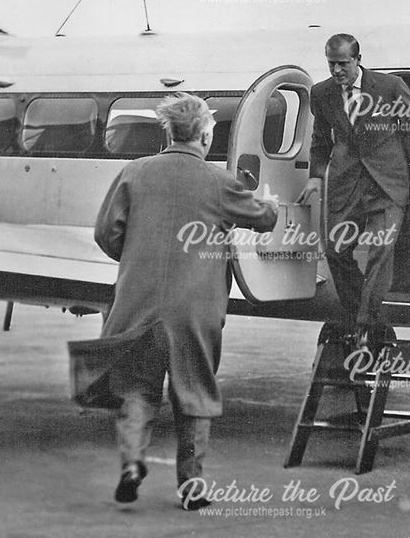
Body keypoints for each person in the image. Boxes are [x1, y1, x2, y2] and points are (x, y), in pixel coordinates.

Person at [94, 93, 278, 510]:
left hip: (138, 301)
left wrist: (137, 256)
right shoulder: (219, 181)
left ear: (169, 132)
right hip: (195, 308)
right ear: (207, 136)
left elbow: (107, 233)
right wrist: (274, 205)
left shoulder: (135, 172)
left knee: (137, 390)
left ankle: (131, 464)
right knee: (193, 392)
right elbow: (263, 219)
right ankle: (191, 489)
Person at [297, 33, 410, 347]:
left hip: (387, 182)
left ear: (358, 59)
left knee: (381, 249)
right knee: (335, 250)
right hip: (347, 182)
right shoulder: (322, 93)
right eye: (331, 63)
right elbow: (320, 139)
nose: (337, 70)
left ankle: (365, 325)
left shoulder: (390, 87)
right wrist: (316, 176)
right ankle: (369, 317)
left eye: (343, 63)